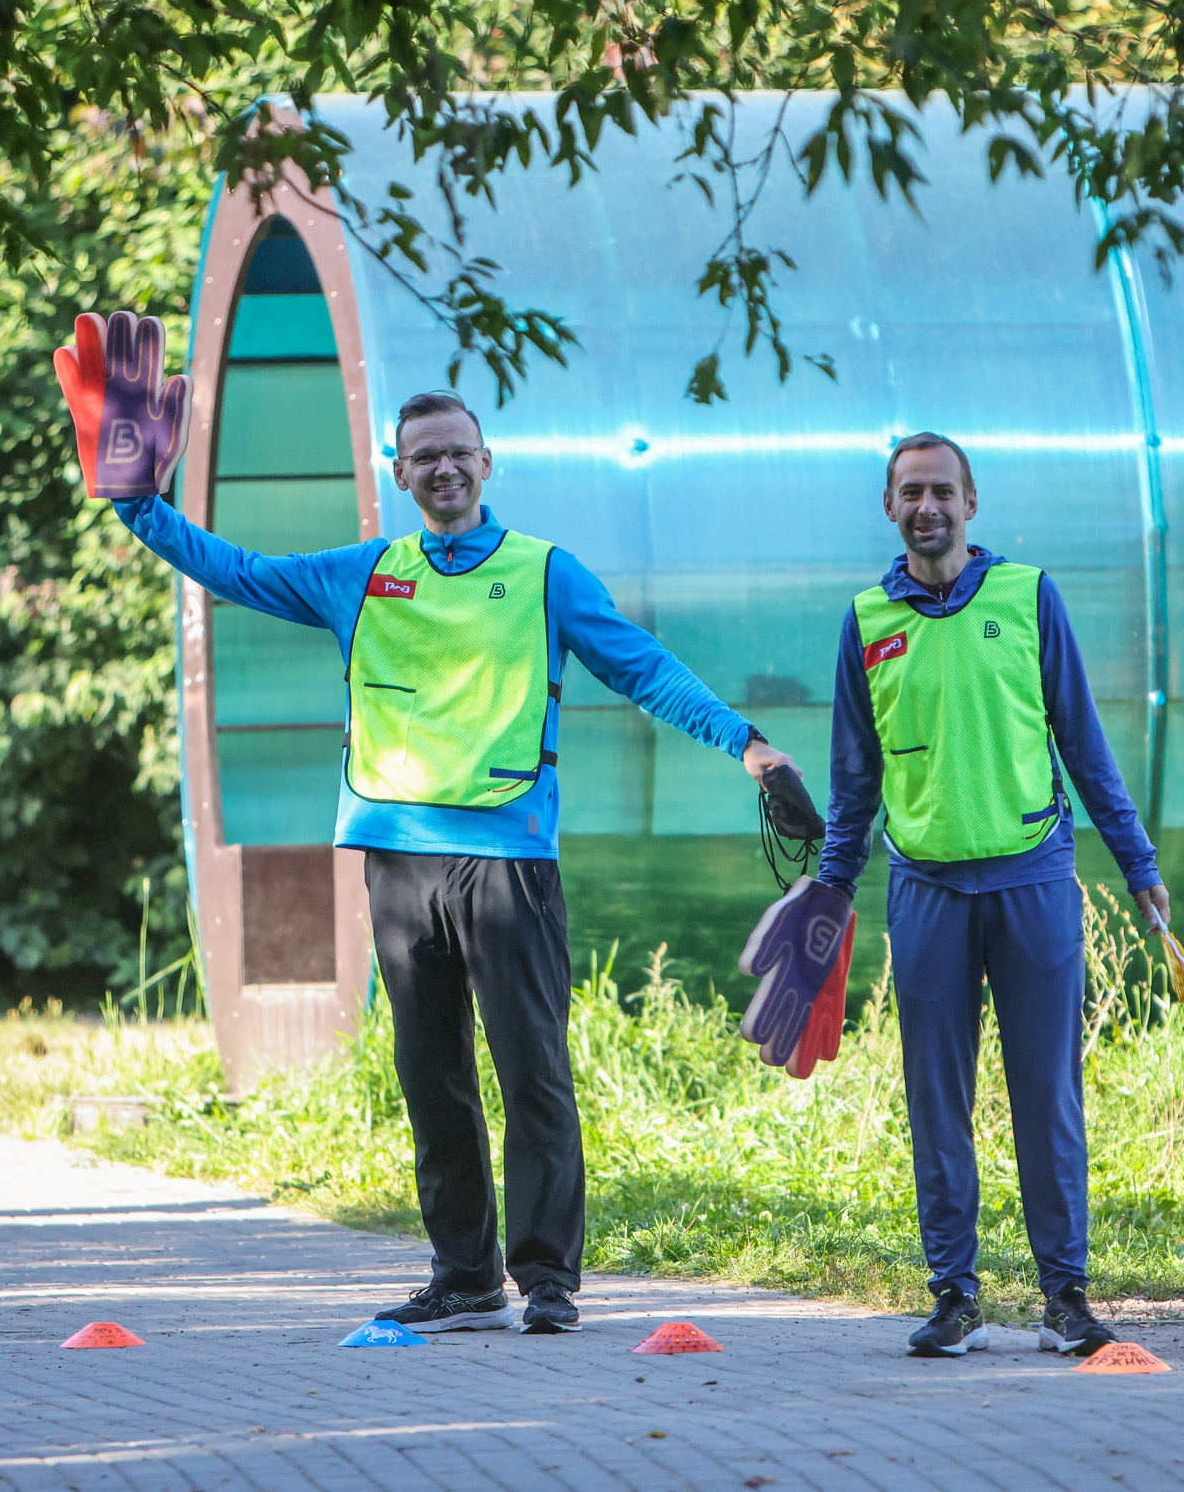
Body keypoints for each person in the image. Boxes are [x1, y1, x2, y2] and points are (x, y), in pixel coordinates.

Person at [109, 386, 797, 1336]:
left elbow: (642, 665)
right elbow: (231, 569)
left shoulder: (546, 572)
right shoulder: (362, 572)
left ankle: (549, 1278)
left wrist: (747, 744)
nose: (443, 467)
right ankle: (465, 1275)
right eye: (423, 455)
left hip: (508, 859)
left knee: (533, 1073)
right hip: (396, 860)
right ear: (399, 474)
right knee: (430, 1074)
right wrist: (136, 501)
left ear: (486, 463)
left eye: (457, 452)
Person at [814, 431, 1172, 1358]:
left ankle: (1066, 1297)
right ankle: (955, 1294)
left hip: (1033, 881)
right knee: (937, 1096)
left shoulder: (1027, 596)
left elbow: (1084, 745)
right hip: (925, 888)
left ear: (971, 502)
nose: (926, 506)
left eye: (942, 490)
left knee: (1046, 1091)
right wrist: (829, 892)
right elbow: (852, 780)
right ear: (888, 508)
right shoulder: (864, 621)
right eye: (909, 492)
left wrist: (1137, 863)